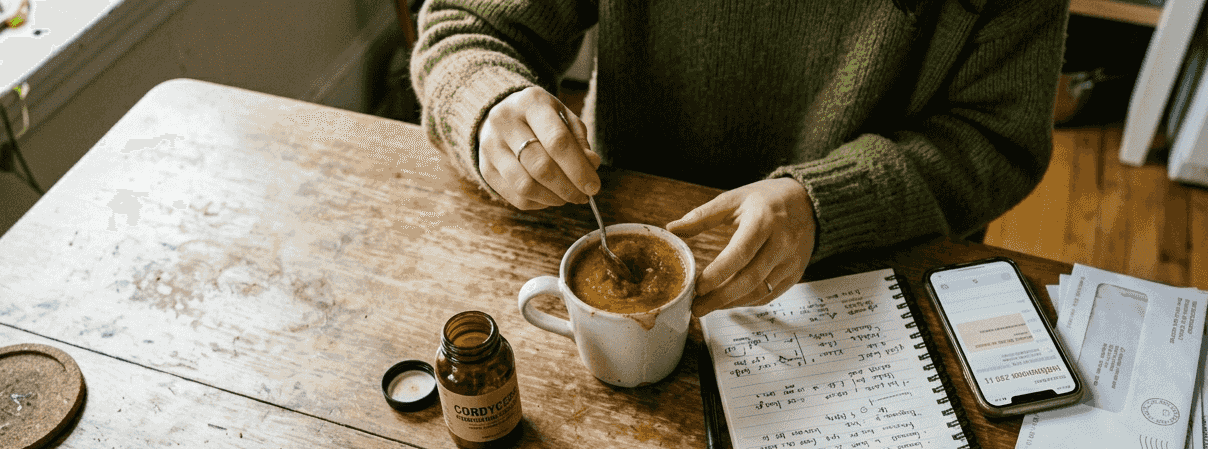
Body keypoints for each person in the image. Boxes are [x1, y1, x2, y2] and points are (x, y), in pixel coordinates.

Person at [409, 0, 1067, 317]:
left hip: (866, 280)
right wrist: (487, 102)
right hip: (620, 225)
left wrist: (830, 201)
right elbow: (465, 26)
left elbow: (997, 137)